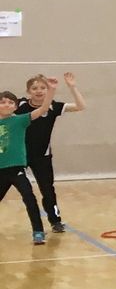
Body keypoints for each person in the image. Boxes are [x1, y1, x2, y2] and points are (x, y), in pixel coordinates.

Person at [21, 72, 83, 234]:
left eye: (43, 87)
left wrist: (72, 87)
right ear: (28, 91)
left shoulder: (53, 106)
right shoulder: (21, 105)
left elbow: (80, 106)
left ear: (48, 90)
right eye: (34, 88)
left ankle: (55, 221)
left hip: (42, 156)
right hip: (20, 155)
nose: (39, 91)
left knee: (48, 190)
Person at [0, 89, 48, 244]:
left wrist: (52, 90)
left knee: (29, 197)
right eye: (2, 102)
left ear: (15, 107)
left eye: (10, 102)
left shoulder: (20, 120)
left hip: (16, 170)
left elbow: (43, 109)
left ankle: (38, 231)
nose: (6, 104)